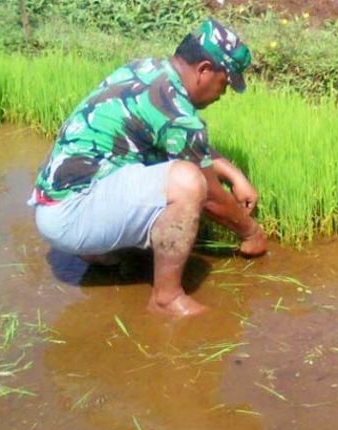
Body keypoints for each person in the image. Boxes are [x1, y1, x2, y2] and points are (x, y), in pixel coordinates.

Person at [29, 19, 267, 317]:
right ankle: (166, 299)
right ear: (204, 69)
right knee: (189, 182)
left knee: (169, 166)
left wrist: (234, 174)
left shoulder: (145, 70)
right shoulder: (176, 113)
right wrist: (250, 232)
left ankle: (99, 253)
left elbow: (183, 142)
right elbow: (209, 196)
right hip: (72, 216)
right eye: (225, 83)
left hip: (54, 203)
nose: (223, 93)